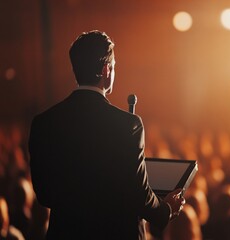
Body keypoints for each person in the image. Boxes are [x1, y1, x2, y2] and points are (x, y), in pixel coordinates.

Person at [28, 30, 185, 240]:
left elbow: (45, 195)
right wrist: (166, 210)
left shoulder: (44, 123)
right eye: (114, 66)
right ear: (106, 69)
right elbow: (138, 195)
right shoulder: (128, 125)